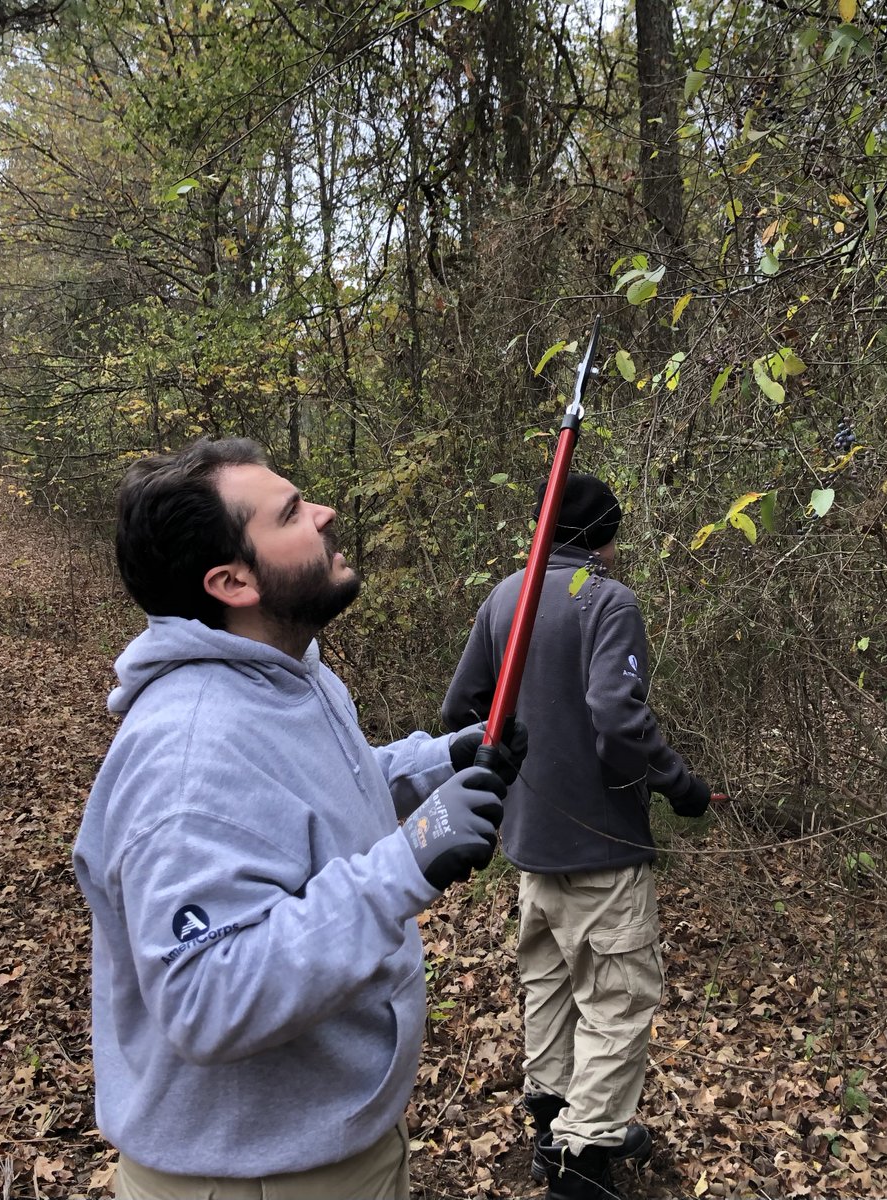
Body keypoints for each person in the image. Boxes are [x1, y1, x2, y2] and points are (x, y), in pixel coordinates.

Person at [72, 437, 527, 1200]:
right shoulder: (189, 756)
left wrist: (440, 761)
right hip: (252, 1178)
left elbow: (308, 800)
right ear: (232, 580)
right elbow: (204, 998)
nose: (324, 513)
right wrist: (404, 866)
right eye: (290, 513)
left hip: (322, 1146)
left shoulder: (289, 676)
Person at [442, 472, 720, 1200]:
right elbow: (617, 718)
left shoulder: (507, 595)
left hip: (529, 844)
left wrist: (511, 783)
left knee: (551, 986)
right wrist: (680, 787)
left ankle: (554, 1119)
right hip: (601, 849)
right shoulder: (606, 599)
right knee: (617, 998)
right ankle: (583, 1157)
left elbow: (461, 711)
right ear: (604, 534)